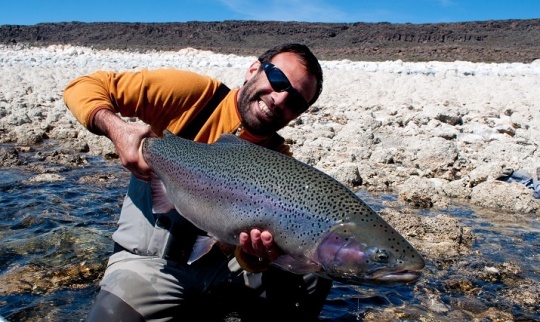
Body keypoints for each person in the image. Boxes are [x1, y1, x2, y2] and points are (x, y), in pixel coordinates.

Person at [64, 43, 333, 321]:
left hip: (221, 269)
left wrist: (256, 256)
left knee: (313, 272)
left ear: (298, 114)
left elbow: (248, 260)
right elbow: (84, 86)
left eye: (296, 101)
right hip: (150, 264)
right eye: (278, 80)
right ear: (254, 69)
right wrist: (116, 128)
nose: (279, 99)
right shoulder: (193, 95)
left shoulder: (278, 161)